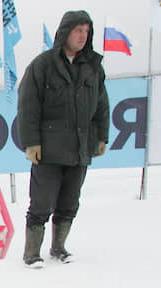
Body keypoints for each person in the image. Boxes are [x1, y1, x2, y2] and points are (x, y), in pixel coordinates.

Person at [17, 10, 110, 268]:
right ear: (65, 32)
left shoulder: (93, 66)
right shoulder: (43, 65)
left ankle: (59, 248)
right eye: (78, 30)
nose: (83, 36)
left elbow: (101, 104)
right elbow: (28, 106)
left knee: (70, 202)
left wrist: (102, 136)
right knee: (42, 202)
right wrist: (31, 142)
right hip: (48, 149)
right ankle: (31, 252)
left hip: (80, 147)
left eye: (86, 31)